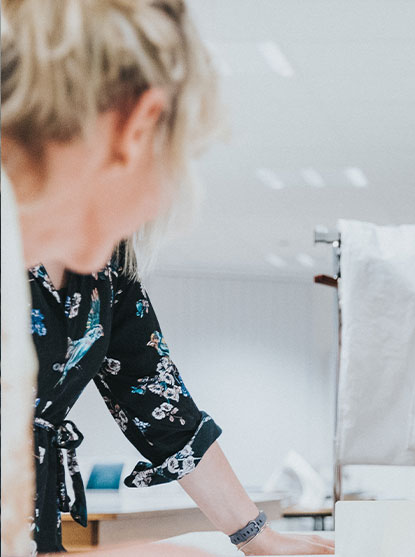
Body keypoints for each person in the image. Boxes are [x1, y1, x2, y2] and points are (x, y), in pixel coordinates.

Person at [0, 1, 334, 554]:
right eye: (178, 160)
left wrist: (256, 537)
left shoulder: (99, 268)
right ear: (140, 126)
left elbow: (156, 398)